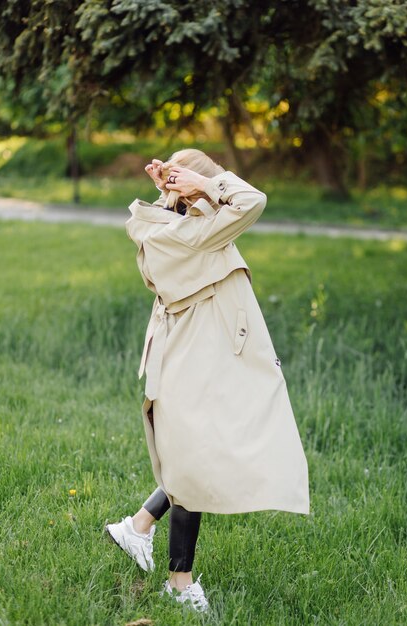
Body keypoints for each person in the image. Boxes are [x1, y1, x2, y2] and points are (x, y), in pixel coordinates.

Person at [105, 148, 310, 614]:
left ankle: (137, 528)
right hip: (196, 356)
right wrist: (202, 186)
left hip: (198, 352)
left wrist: (179, 189)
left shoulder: (172, 223)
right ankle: (179, 584)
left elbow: (226, 206)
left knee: (195, 452)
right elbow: (252, 200)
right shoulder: (200, 232)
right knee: (196, 460)